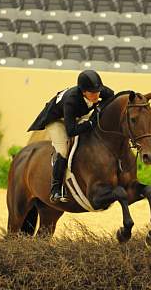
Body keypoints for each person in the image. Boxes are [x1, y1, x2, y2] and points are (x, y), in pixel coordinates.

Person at [28, 70, 114, 203]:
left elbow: (111, 96)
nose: (97, 95)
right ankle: (56, 188)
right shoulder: (71, 100)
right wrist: (91, 123)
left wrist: (98, 109)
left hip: (76, 115)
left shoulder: (97, 91)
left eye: (98, 91)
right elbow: (71, 130)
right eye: (92, 93)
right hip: (57, 119)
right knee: (62, 150)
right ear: (83, 92)